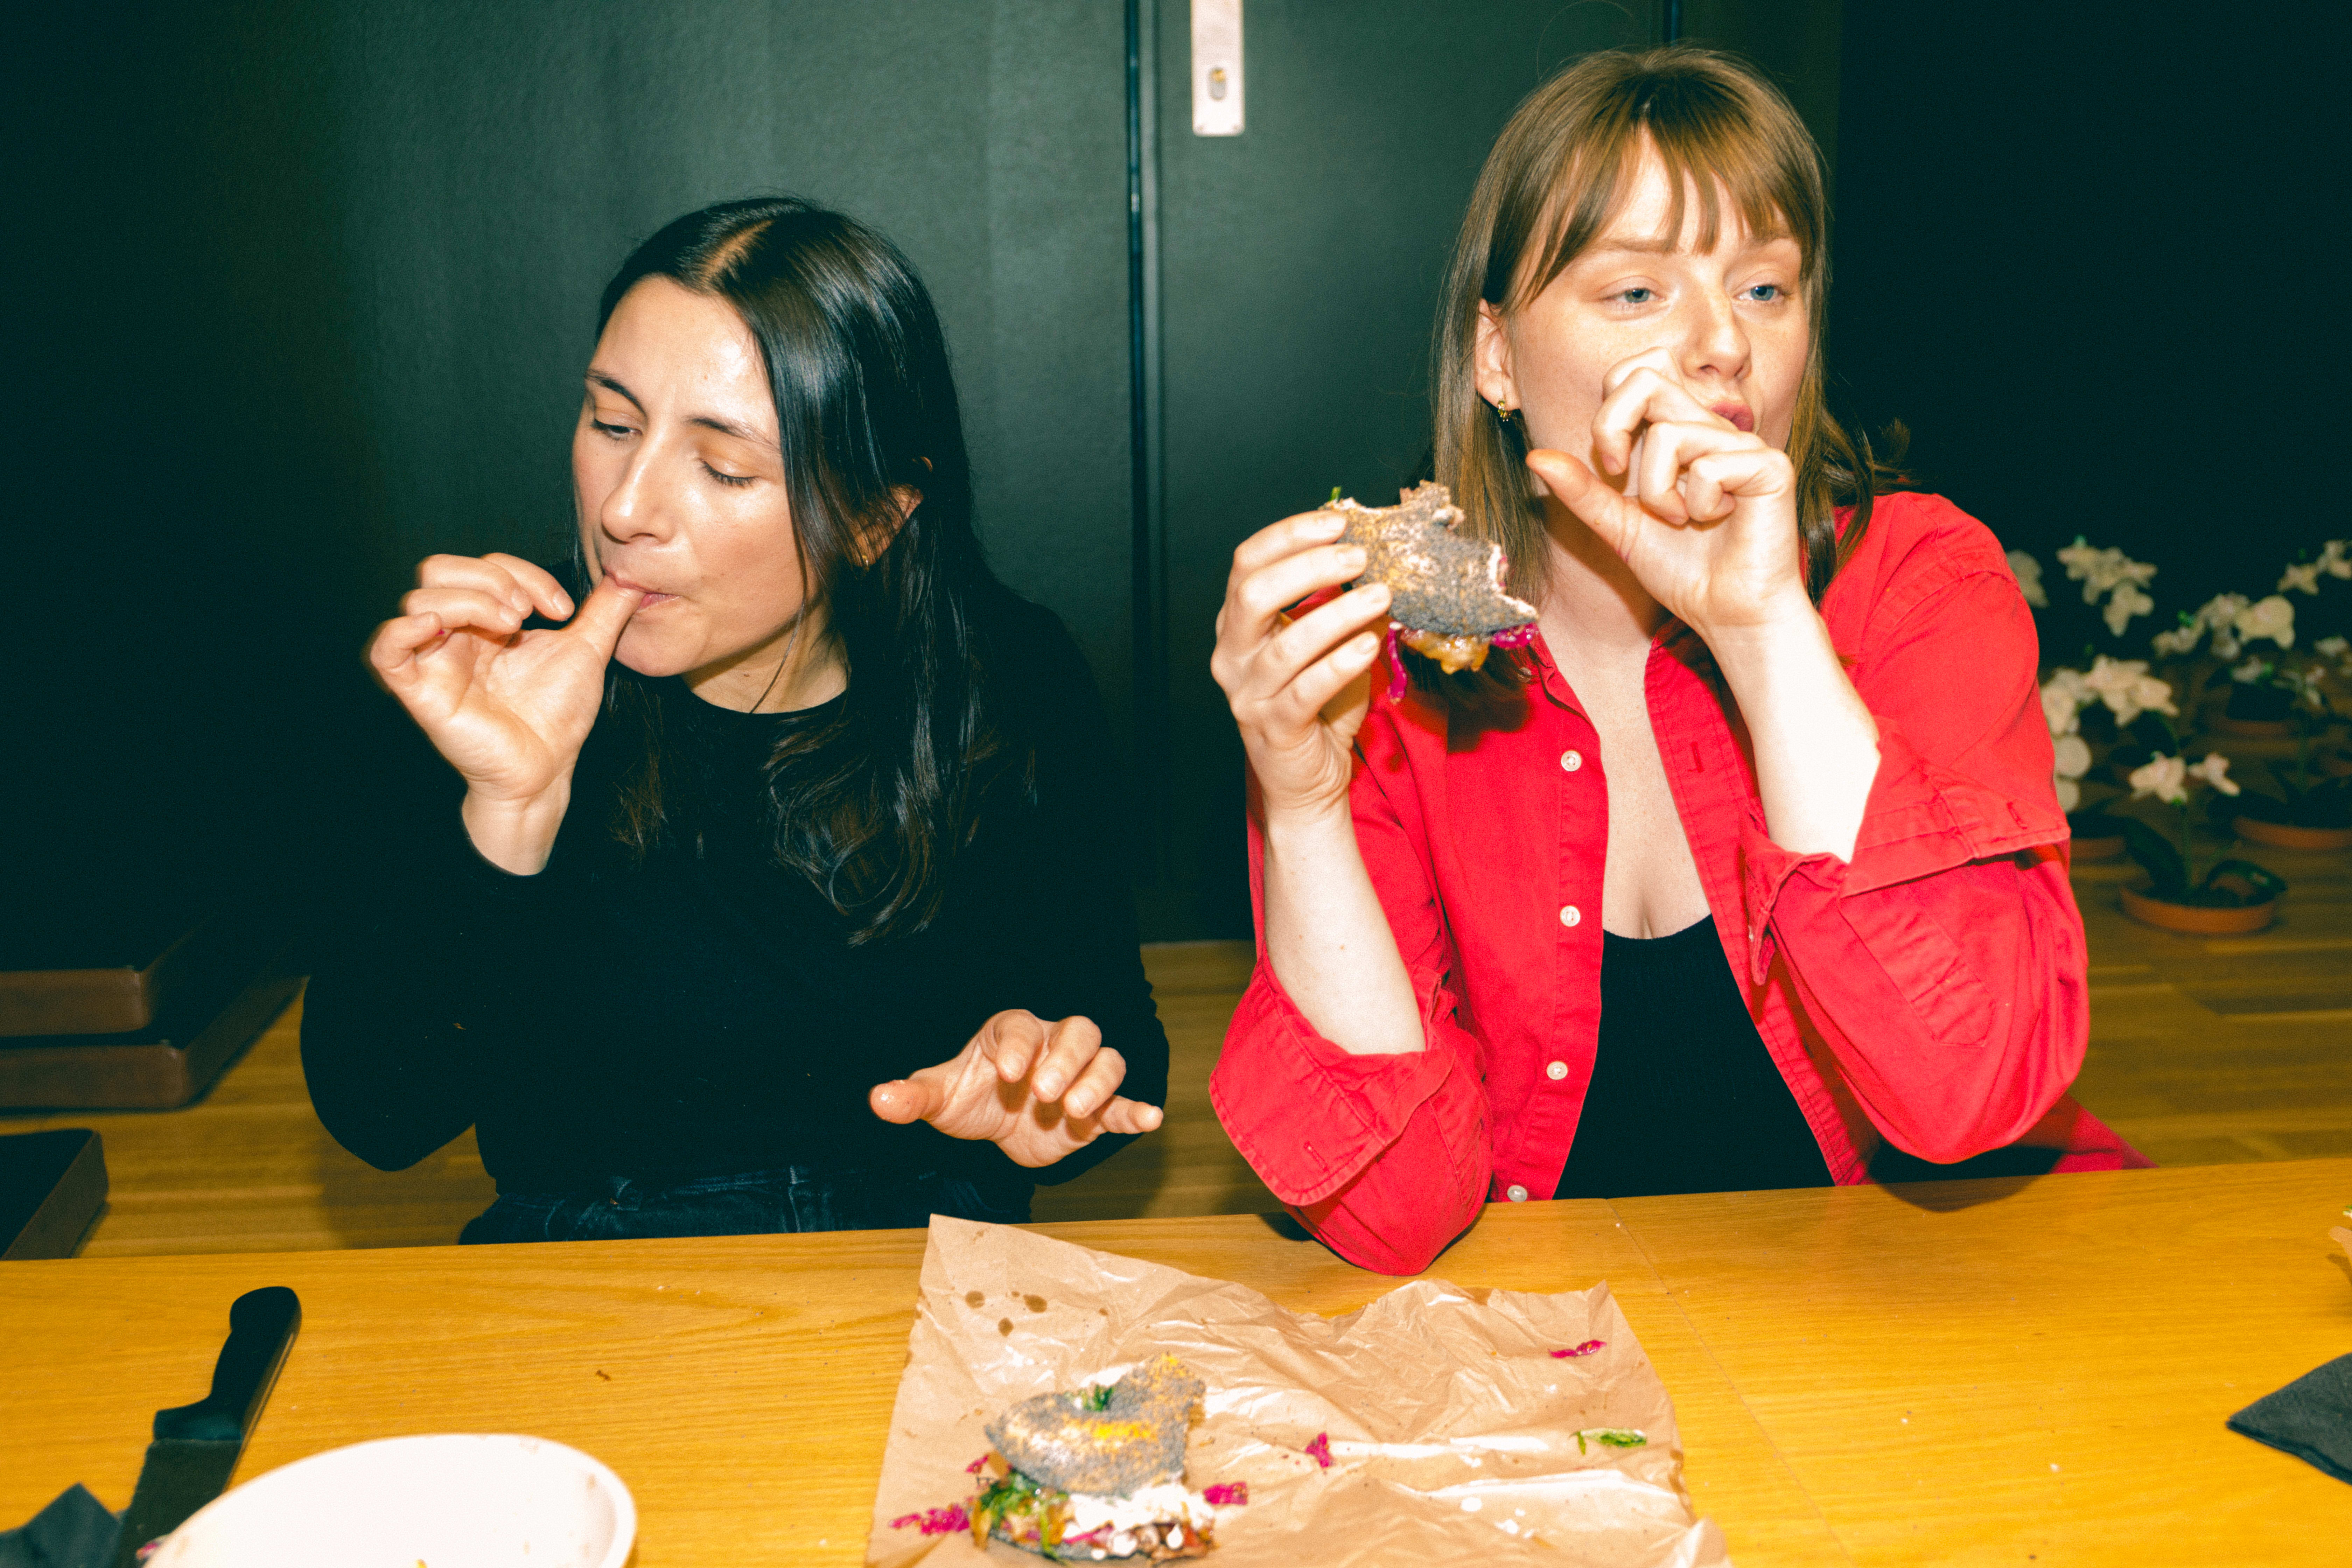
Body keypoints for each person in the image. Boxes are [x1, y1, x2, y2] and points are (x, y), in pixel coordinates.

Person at [1208, 47, 2145, 1275]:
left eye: (1765, 288)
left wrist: (1761, 628)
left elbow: (1963, 1096)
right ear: (1497, 359)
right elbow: (1399, 1218)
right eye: (1636, 293)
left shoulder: (1921, 584)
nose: (1720, 347)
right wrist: (1305, 801)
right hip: (1580, 1341)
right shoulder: (1383, 678)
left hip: (1945, 1302)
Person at [302, 197, 1167, 1242]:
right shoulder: (496, 677)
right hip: (585, 1278)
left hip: (909, 1264)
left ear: (873, 519)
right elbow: (379, 1117)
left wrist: (1048, 1084)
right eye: (613, 424)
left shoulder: (1005, 675)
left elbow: (1122, 1051)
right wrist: (507, 810)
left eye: (723, 467)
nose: (626, 509)